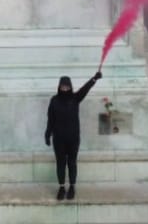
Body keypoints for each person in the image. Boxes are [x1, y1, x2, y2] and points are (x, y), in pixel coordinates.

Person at [45, 71, 102, 200]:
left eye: (67, 87)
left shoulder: (75, 98)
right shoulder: (54, 100)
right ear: (59, 87)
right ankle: (61, 187)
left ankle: (72, 187)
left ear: (70, 87)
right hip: (58, 139)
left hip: (73, 138)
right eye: (62, 87)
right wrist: (47, 134)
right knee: (60, 163)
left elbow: (85, 89)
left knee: (71, 162)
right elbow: (50, 119)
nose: (65, 89)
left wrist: (94, 79)